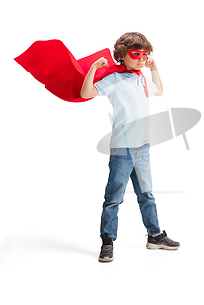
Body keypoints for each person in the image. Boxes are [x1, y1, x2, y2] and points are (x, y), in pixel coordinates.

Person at [80, 32, 180, 262]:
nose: (141, 59)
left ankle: (154, 235)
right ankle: (107, 241)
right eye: (136, 55)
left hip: (142, 147)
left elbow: (160, 90)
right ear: (122, 56)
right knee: (114, 197)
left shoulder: (142, 78)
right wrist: (94, 68)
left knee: (147, 194)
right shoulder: (113, 80)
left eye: (145, 55)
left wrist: (154, 68)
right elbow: (85, 93)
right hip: (122, 149)